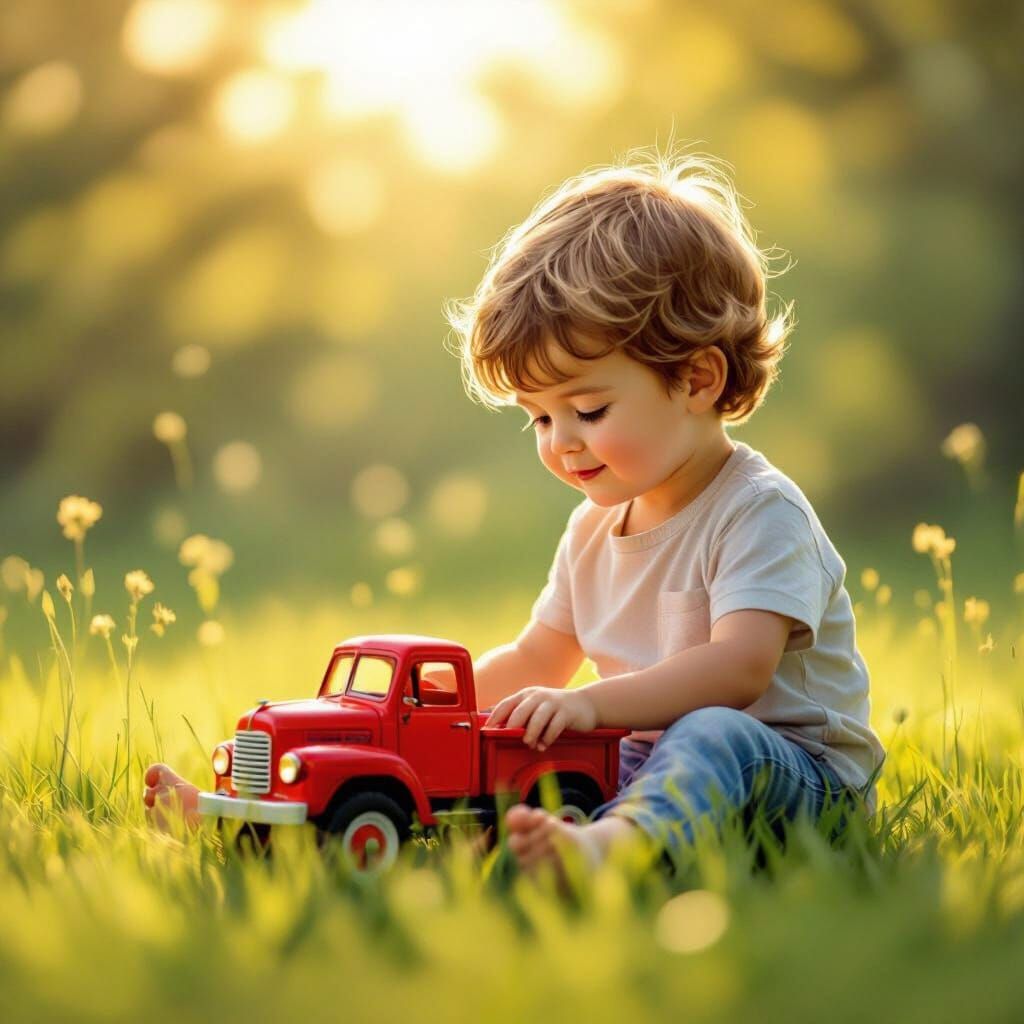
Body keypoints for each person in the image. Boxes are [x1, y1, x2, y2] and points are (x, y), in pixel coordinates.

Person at [146, 150, 886, 880]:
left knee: (708, 733)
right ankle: (259, 815)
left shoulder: (757, 511)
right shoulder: (594, 529)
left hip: (792, 776)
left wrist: (588, 705)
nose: (561, 444)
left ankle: (612, 850)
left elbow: (738, 671)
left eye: (588, 410)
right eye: (537, 418)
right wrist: (434, 720)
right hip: (648, 754)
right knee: (518, 744)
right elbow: (538, 659)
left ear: (697, 379)